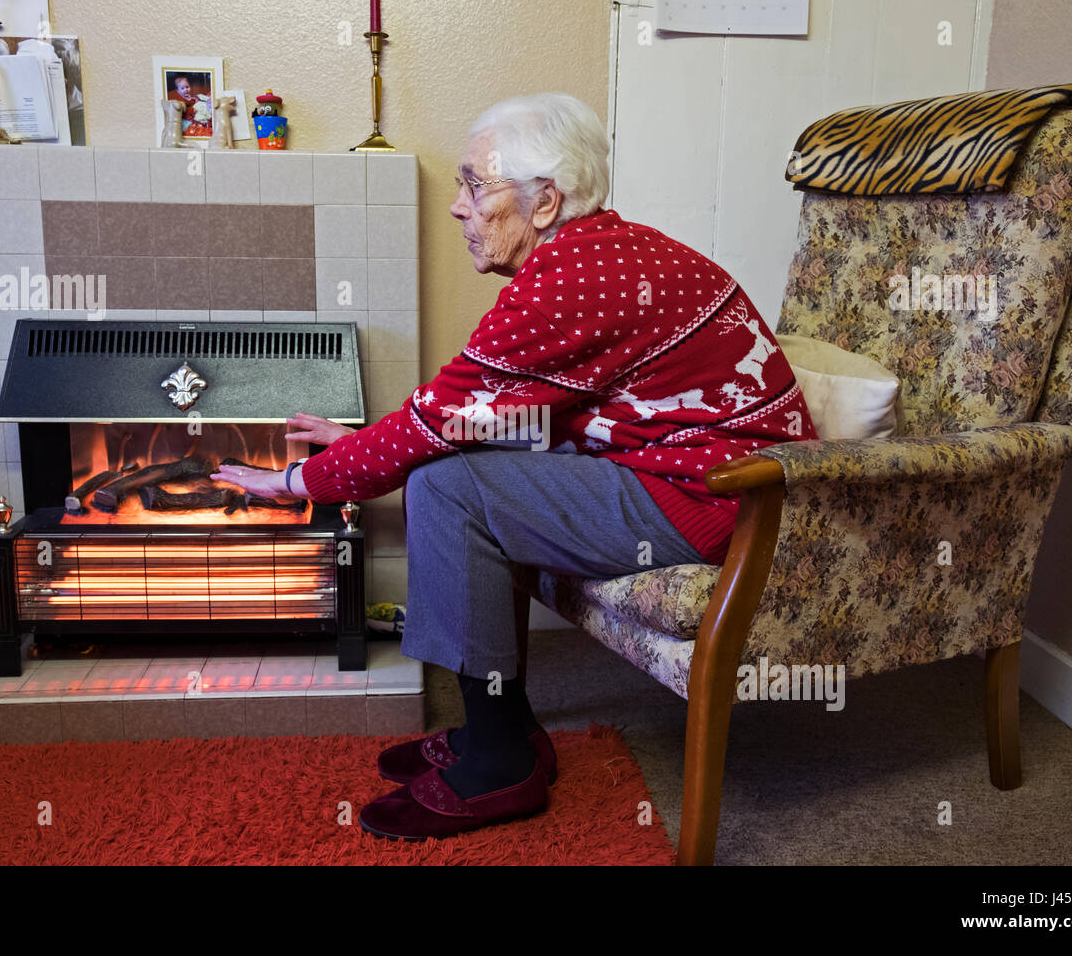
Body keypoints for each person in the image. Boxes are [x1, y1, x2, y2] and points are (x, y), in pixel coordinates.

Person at [213, 92, 818, 841]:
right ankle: (507, 728)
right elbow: (482, 412)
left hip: (721, 498)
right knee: (447, 464)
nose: (459, 208)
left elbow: (442, 423)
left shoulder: (571, 280)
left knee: (446, 484)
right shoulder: (604, 252)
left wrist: (295, 481)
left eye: (474, 185)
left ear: (544, 202)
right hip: (686, 473)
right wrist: (367, 437)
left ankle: (500, 757)